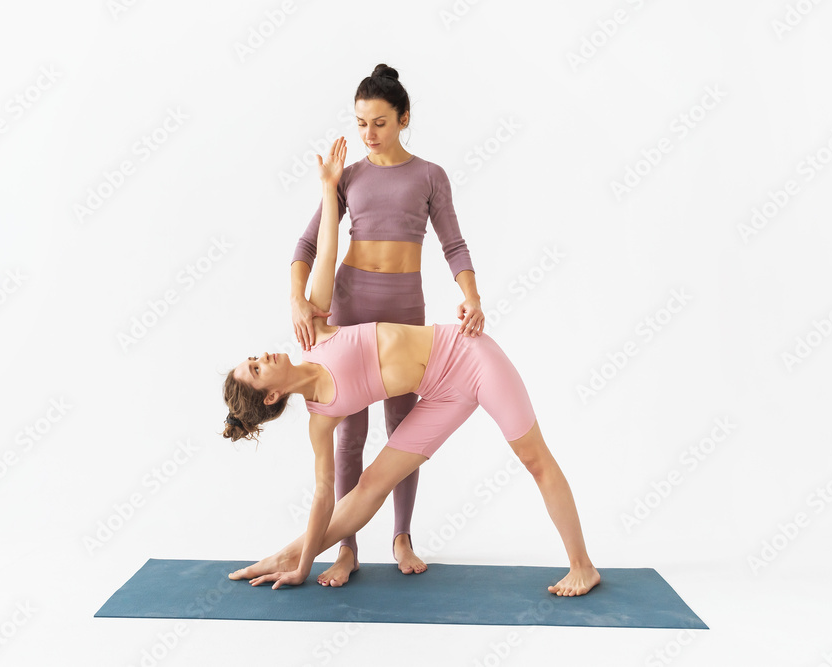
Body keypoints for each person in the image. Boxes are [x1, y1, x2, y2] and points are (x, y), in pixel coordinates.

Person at [222, 137, 601, 596]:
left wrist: (328, 189)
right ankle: (291, 554)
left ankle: (582, 565)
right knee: (368, 487)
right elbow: (326, 497)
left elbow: (325, 250)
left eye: (254, 357)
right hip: (441, 397)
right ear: (271, 396)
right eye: (258, 369)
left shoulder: (317, 330)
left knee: (533, 458)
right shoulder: (320, 423)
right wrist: (301, 562)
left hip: (469, 358)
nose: (263, 356)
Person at [289, 63, 485, 584]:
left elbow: (453, 244)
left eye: (378, 122)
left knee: (403, 427)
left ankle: (401, 535)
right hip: (351, 308)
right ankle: (345, 546)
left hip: (404, 309)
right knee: (350, 432)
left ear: (402, 119)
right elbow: (307, 246)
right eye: (360, 123)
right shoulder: (348, 176)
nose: (368, 134)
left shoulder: (429, 176)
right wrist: (295, 299)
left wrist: (471, 296)